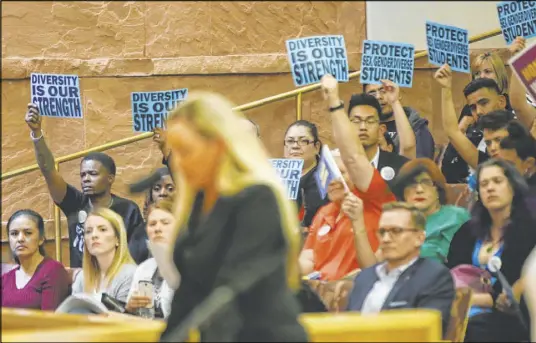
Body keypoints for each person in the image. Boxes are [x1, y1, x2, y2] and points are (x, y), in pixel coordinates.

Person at [161, 91, 307, 342]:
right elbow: (187, 294)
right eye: (173, 153)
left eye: (185, 151)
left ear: (218, 145)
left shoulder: (258, 199)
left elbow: (231, 290)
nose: (178, 164)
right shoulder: (196, 206)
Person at [25, 103, 144, 268]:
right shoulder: (75, 203)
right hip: (82, 286)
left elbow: (137, 254)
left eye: (93, 174)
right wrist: (37, 134)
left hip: (117, 285)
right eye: (82, 175)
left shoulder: (128, 210)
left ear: (110, 178)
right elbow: (48, 169)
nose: (86, 179)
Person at [314, 202, 455, 338]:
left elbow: (426, 332)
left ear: (419, 238)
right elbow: (346, 327)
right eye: (382, 232)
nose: (386, 239)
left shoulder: (433, 277)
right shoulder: (365, 277)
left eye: (396, 231)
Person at [446, 159, 536, 342]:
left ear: (513, 186)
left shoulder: (531, 230)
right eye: (484, 184)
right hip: (462, 312)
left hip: (510, 318)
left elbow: (518, 287)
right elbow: (452, 275)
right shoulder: (466, 232)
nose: (490, 188)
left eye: (497, 181)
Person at [299, 151, 395, 281]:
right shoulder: (323, 212)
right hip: (321, 292)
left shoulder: (375, 202)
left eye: (340, 173)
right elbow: (308, 257)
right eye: (329, 174)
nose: (332, 181)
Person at [320, 74, 409, 188]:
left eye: (370, 121)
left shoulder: (399, 165)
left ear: (381, 129)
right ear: (348, 126)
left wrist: (395, 101)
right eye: (356, 121)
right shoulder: (333, 168)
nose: (363, 127)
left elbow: (408, 147)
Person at [435, 66, 510, 177]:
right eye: (473, 108)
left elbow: (520, 104)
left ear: (501, 101)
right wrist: (445, 87)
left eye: (484, 103)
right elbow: (452, 131)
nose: (478, 111)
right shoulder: (477, 139)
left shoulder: (520, 131)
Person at [1, 210, 70, 310]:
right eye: (14, 234)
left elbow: (49, 320)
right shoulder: (5, 279)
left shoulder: (53, 270)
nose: (20, 239)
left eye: (28, 233)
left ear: (41, 238)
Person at [71, 208, 137, 304]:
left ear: (117, 238)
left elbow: (123, 316)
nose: (94, 235)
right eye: (88, 231)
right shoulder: (82, 277)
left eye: (102, 229)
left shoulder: (131, 275)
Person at [126, 199, 177, 319]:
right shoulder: (144, 269)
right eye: (152, 224)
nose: (157, 229)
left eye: (165, 222)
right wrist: (130, 309)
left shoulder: (190, 266)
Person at [363, 82, 434, 159]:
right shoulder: (360, 130)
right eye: (372, 94)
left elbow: (421, 166)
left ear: (398, 94)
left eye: (383, 91)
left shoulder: (417, 128)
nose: (378, 96)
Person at [284, 120, 329, 229]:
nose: (295, 146)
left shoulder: (326, 181)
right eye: (290, 141)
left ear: (316, 147)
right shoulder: (274, 178)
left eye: (303, 141)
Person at [129, 167, 176, 264]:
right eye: (157, 189)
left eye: (170, 188)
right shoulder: (141, 231)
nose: (162, 193)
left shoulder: (191, 227)